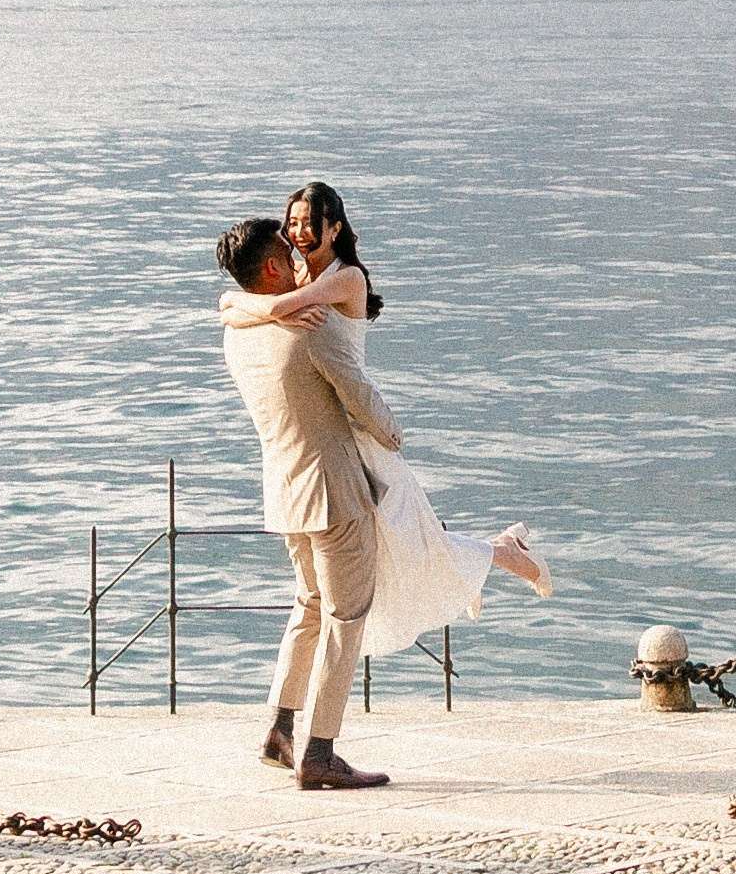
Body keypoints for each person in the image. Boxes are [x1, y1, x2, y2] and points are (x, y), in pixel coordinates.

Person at [221, 183, 553, 653]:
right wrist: (246, 306)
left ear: (334, 229)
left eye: (308, 222)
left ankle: (503, 559)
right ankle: (496, 557)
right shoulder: (299, 278)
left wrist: (248, 306)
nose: (297, 231)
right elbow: (242, 306)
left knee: (409, 542)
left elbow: (258, 307)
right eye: (291, 222)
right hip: (336, 435)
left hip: (364, 430)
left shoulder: (344, 279)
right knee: (404, 543)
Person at [216, 214, 402, 792]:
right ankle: (319, 752)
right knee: (346, 618)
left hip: (285, 490)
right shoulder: (309, 325)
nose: (298, 259)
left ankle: (279, 728)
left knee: (310, 608)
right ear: (273, 267)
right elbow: (357, 392)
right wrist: (395, 436)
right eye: (288, 253)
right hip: (335, 493)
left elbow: (232, 307)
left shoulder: (239, 330)